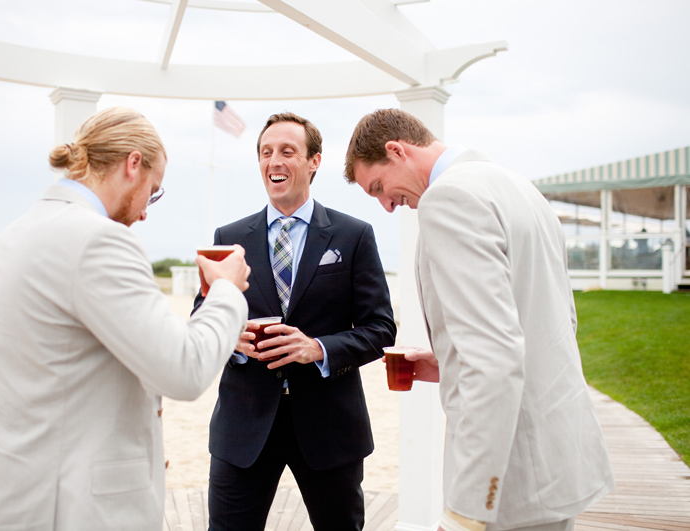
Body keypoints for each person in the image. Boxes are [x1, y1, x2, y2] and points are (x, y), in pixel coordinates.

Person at [0, 107, 251, 531]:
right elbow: (184, 370)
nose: (147, 213)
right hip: (72, 507)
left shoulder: (12, 236)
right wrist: (227, 290)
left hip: (7, 497)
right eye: (154, 191)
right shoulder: (99, 241)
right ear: (133, 164)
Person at [344, 109, 614, 531]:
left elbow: (494, 360)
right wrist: (448, 359)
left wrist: (465, 514)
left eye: (379, 187)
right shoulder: (519, 187)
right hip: (559, 460)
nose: (387, 206)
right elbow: (557, 321)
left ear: (397, 150)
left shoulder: (448, 199)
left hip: (512, 478)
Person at [194, 112, 396, 531]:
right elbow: (201, 317)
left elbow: (381, 329)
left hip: (329, 427)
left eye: (288, 151)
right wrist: (232, 337)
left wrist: (318, 349)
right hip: (243, 426)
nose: (275, 161)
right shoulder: (229, 238)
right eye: (266, 153)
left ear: (314, 161)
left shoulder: (353, 235)